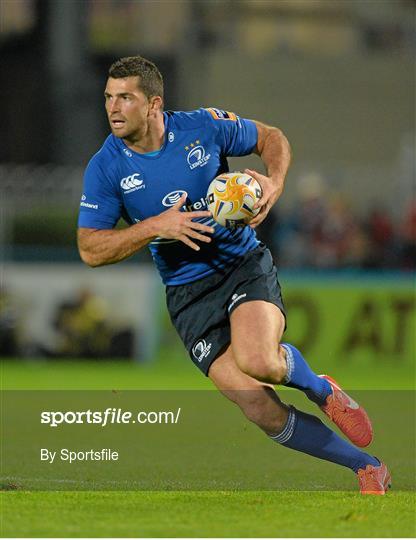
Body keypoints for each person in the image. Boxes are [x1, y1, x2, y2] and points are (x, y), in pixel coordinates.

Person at [77, 55, 390, 494]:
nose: (113, 107)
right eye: (109, 97)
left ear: (153, 105)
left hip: (239, 265)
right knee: (260, 410)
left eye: (125, 97)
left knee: (259, 359)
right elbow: (90, 249)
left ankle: (321, 389)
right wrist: (154, 227)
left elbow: (272, 138)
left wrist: (274, 186)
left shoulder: (203, 127)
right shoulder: (106, 167)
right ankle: (367, 467)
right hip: (188, 295)